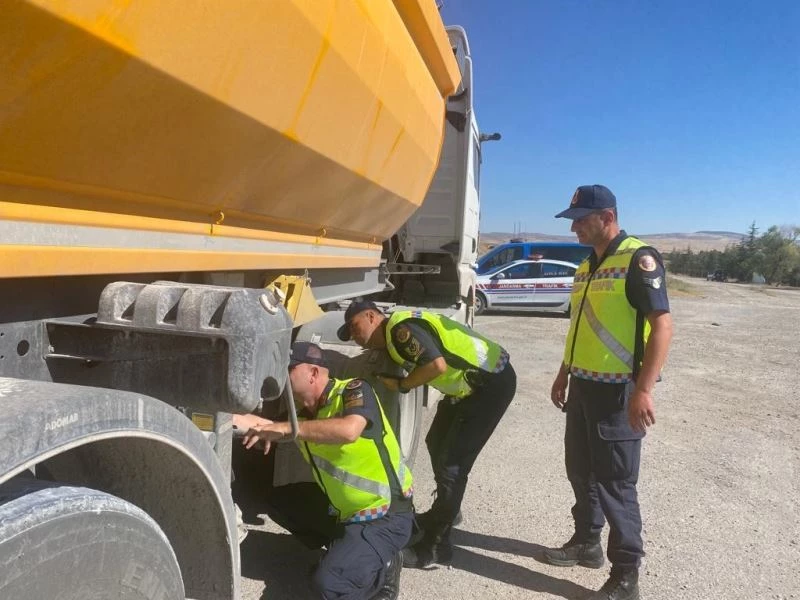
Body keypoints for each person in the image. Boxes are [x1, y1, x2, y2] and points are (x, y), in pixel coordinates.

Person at [544, 185, 673, 600]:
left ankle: (625, 576)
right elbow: (581, 326)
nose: (576, 227)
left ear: (608, 216)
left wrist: (644, 389)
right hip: (582, 386)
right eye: (573, 220)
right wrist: (564, 372)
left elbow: (662, 325)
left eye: (582, 219)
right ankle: (587, 543)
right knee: (581, 471)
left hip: (618, 392)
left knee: (616, 484)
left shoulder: (638, 259)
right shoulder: (587, 264)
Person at [337, 302, 516, 568]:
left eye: (355, 327)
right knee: (436, 441)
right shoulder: (395, 335)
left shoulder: (401, 330)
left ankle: (435, 545)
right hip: (468, 388)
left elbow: (436, 366)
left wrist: (402, 384)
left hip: (490, 385)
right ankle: (446, 509)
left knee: (452, 465)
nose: (355, 337)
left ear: (372, 316)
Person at [235, 341, 413, 600]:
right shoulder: (304, 415)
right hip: (345, 513)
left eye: (288, 369)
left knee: (328, 585)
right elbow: (264, 424)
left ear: (314, 373)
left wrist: (285, 429)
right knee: (278, 500)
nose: (280, 376)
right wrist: (220, 414)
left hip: (385, 516)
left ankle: (380, 567)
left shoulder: (353, 391)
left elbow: (349, 430)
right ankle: (348, 553)